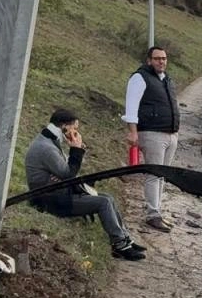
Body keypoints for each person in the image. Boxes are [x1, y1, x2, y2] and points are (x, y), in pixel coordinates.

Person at [24, 109, 146, 261]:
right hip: (49, 200)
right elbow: (68, 173)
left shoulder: (49, 140)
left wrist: (71, 161)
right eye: (74, 128)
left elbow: (66, 172)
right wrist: (75, 150)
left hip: (57, 192)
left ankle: (125, 238)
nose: (76, 132)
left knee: (108, 197)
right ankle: (119, 245)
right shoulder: (46, 148)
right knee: (103, 202)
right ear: (65, 127)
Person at [123, 45, 179, 232]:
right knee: (154, 174)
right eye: (157, 58)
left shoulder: (166, 80)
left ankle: (157, 212)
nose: (161, 61)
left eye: (163, 58)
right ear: (149, 60)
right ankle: (152, 214)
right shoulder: (140, 78)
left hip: (170, 134)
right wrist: (133, 132)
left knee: (162, 175)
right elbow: (131, 106)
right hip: (152, 133)